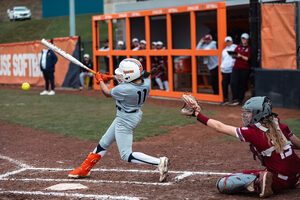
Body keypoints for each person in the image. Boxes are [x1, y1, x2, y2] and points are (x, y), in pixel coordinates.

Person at [68, 58, 169, 182]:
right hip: (131, 115)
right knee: (104, 142)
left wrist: (100, 80)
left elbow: (106, 92)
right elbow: (126, 78)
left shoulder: (125, 89)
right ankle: (85, 169)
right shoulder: (146, 81)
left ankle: (159, 162)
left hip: (125, 120)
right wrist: (110, 78)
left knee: (126, 155)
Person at [182, 95, 300, 198]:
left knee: (223, 183)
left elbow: (220, 127)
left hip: (278, 180)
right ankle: (274, 179)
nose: (245, 115)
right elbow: (298, 144)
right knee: (280, 167)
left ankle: (259, 184)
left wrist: (196, 114)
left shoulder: (253, 131)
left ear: (258, 113)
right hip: (295, 177)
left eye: (249, 112)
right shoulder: (279, 124)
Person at [229, 33, 251, 106]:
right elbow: (234, 56)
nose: (243, 40)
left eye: (245, 38)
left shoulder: (250, 48)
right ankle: (235, 98)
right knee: (233, 82)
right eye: (242, 38)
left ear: (248, 39)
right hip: (236, 67)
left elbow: (248, 59)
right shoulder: (238, 47)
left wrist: (240, 56)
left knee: (242, 84)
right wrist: (234, 55)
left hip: (245, 68)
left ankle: (240, 100)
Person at [220, 36, 237, 105]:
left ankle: (234, 99)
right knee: (224, 85)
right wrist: (221, 68)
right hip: (224, 70)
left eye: (229, 41)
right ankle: (225, 99)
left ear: (232, 41)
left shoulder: (235, 47)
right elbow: (222, 60)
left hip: (232, 70)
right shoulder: (224, 50)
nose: (228, 42)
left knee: (233, 85)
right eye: (226, 41)